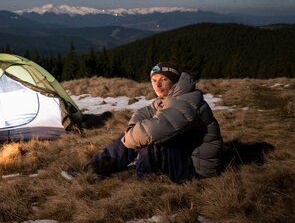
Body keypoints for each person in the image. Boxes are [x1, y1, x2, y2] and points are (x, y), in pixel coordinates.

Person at [84, 61, 223, 183]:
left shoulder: (187, 101)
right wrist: (132, 128)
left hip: (197, 170)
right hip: (183, 154)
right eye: (154, 80)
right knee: (138, 134)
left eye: (164, 79)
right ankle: (94, 167)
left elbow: (152, 131)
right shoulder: (170, 98)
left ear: (174, 81)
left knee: (151, 141)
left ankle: (144, 182)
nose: (158, 84)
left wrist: (129, 138)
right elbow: (144, 112)